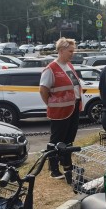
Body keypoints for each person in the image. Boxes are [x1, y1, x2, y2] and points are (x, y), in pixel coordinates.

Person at [39, 37, 81, 181]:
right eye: (70, 51)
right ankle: (54, 169)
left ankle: (67, 165)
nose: (72, 53)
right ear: (61, 51)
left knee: (68, 140)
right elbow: (43, 91)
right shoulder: (51, 68)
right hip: (60, 111)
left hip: (73, 108)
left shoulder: (69, 65)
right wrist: (51, 104)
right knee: (56, 140)